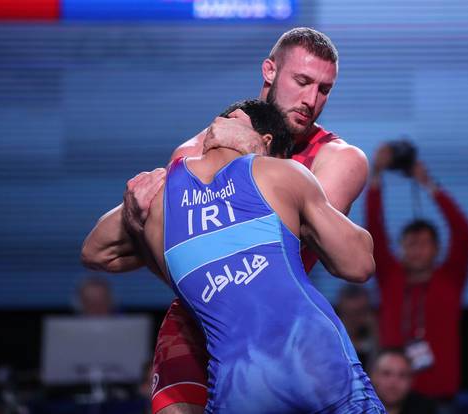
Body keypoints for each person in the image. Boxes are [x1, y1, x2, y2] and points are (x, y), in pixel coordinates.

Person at [81, 27, 370, 413]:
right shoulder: (192, 152)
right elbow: (107, 253)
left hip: (281, 332)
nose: (311, 100)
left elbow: (283, 243)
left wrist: (253, 155)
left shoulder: (338, 158)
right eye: (302, 81)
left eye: (324, 89)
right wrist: (141, 224)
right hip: (197, 326)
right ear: (269, 70)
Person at [128, 98, 382, 413]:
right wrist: (300, 218)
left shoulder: (158, 204)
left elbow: (94, 250)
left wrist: (134, 214)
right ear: (265, 140)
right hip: (315, 360)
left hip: (240, 385)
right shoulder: (281, 173)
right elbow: (359, 264)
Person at [365, 144, 468, 406]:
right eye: (410, 243)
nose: (416, 249)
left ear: (437, 249)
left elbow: (464, 234)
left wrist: (428, 185)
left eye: (423, 243)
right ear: (401, 247)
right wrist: (376, 177)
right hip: (393, 395)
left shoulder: (449, 278)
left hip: (439, 397)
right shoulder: (391, 276)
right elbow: (375, 231)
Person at [370, 349, 437, 414]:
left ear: (411, 381)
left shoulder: (425, 409)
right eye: (386, 373)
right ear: (373, 377)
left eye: (402, 375)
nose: (393, 382)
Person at [335, 284, 378, 370]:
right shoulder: (331, 340)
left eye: (363, 312)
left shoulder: (370, 336)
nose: (357, 320)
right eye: (352, 313)